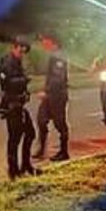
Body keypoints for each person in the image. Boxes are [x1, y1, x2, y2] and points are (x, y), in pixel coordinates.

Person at [0, 35, 38, 180]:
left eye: (24, 52)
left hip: (19, 104)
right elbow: (7, 83)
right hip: (12, 105)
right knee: (14, 138)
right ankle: (13, 170)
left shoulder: (17, 61)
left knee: (30, 133)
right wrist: (24, 80)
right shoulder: (7, 62)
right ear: (14, 48)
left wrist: (25, 92)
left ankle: (26, 165)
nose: (22, 54)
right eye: (21, 51)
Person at [33, 32, 70, 161]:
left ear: (52, 41)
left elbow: (58, 78)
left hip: (57, 95)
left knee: (60, 123)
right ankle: (42, 149)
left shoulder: (59, 56)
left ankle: (64, 151)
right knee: (41, 120)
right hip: (50, 96)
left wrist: (47, 91)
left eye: (45, 41)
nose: (43, 44)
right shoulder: (53, 56)